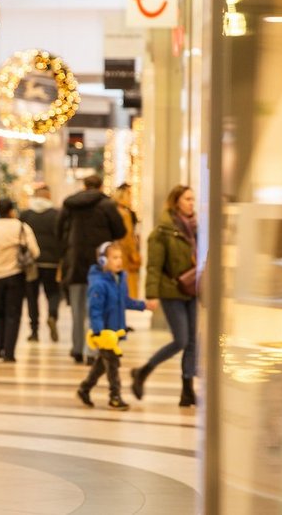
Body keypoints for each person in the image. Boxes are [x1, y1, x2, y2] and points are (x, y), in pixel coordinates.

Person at [131, 185, 199, 407]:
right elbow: (153, 267)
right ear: (176, 201)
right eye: (187, 199)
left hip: (193, 290)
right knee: (181, 340)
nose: (191, 203)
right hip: (172, 290)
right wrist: (152, 294)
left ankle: (187, 390)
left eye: (193, 199)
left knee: (193, 342)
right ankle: (143, 370)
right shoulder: (162, 232)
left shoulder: (197, 228)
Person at [57, 174, 127, 364]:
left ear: (84, 186)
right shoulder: (107, 205)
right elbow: (121, 231)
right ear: (101, 186)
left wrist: (67, 250)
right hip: (99, 264)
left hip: (75, 262)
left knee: (77, 309)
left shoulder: (70, 205)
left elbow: (59, 230)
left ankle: (77, 349)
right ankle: (93, 351)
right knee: (96, 308)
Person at [76, 243, 153, 411]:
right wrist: (98, 332)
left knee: (101, 365)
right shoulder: (99, 284)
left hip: (115, 332)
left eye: (120, 257)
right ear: (103, 261)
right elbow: (95, 310)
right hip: (104, 334)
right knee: (113, 365)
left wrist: (143, 305)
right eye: (114, 258)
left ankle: (85, 388)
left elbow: (124, 301)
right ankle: (115, 396)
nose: (119, 261)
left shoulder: (120, 279)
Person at [0, 198, 40, 363]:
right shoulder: (21, 227)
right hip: (15, 275)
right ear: (12, 210)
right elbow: (35, 251)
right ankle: (9, 352)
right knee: (13, 313)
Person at [20, 185, 63, 342]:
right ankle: (52, 315)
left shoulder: (26, 215)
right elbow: (62, 237)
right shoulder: (57, 215)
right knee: (53, 293)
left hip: (31, 263)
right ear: (48, 197)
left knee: (32, 296)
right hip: (52, 262)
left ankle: (34, 331)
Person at [112, 183, 142, 299]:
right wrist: (134, 254)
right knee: (128, 287)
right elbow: (128, 237)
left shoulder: (114, 211)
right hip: (124, 255)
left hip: (114, 253)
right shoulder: (125, 213)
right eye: (129, 195)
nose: (131, 198)